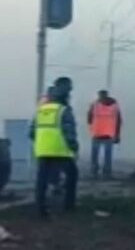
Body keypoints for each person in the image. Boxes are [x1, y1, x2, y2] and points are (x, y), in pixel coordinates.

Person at [29, 77, 79, 216]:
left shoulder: (41, 110)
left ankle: (40, 208)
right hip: (60, 150)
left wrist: (42, 142)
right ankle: (69, 206)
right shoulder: (63, 110)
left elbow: (31, 132)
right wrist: (74, 146)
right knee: (72, 175)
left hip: (43, 150)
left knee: (42, 180)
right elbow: (69, 131)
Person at [86, 89, 122, 179]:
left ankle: (95, 172)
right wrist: (117, 134)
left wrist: (92, 127)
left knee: (96, 154)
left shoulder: (94, 105)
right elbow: (119, 120)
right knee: (106, 155)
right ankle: (105, 173)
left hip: (99, 133)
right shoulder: (114, 105)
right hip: (107, 133)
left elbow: (89, 118)